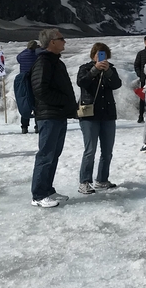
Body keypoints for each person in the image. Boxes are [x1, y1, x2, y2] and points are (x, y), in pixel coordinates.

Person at [30, 28, 78, 208]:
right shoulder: (44, 62)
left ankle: (47, 189)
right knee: (46, 154)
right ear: (52, 42)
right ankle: (38, 195)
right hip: (49, 115)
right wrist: (63, 102)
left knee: (53, 154)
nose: (64, 41)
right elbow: (40, 90)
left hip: (57, 114)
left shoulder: (55, 62)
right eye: (61, 38)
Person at [77, 42, 122, 193]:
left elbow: (117, 84)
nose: (100, 56)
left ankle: (102, 179)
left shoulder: (111, 69)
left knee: (107, 150)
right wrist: (94, 70)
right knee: (90, 150)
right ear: (93, 55)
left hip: (108, 114)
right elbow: (81, 82)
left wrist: (108, 71)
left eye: (103, 53)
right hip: (90, 114)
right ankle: (84, 181)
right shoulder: (84, 68)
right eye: (98, 53)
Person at [14, 40, 39, 134]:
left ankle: (24, 126)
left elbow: (18, 57)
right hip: (35, 80)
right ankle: (38, 126)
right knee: (37, 103)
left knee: (25, 103)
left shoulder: (22, 55)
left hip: (24, 81)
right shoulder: (37, 55)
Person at [134, 35, 146, 123]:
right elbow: (136, 65)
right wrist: (140, 74)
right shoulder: (141, 53)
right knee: (143, 98)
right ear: (144, 42)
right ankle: (141, 116)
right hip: (144, 79)